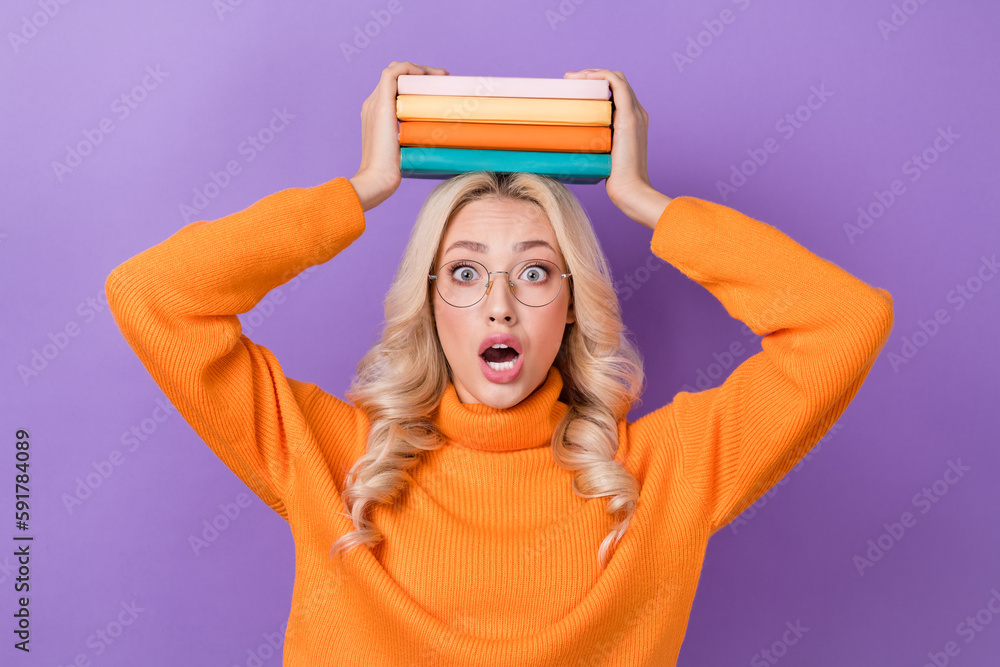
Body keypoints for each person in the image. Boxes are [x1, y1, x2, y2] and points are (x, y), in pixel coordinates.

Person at [106, 61, 894, 666]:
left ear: (574, 302)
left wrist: (644, 198)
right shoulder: (337, 460)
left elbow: (844, 320)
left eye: (535, 270)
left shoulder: (664, 474)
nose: (499, 304)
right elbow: (154, 296)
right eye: (465, 270)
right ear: (431, 302)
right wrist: (366, 187)